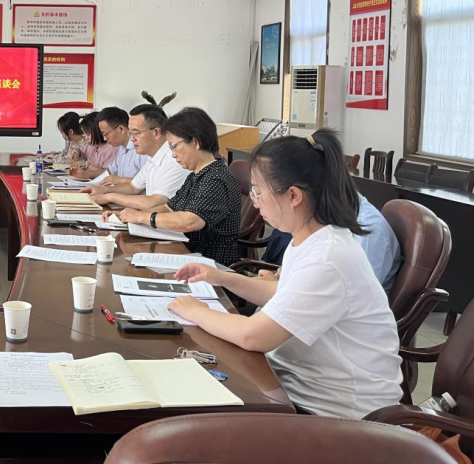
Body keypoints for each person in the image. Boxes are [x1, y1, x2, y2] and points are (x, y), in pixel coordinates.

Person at [169, 129, 403, 418]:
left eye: (258, 191)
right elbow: (282, 292)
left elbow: (254, 336)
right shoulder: (309, 238)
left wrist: (196, 311)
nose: (254, 201)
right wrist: (220, 276)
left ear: (293, 195)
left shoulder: (328, 257)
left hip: (338, 415)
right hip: (293, 387)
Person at [114, 107, 240, 266]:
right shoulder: (196, 175)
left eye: (174, 146)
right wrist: (127, 216)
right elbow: (169, 207)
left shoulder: (216, 178)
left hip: (210, 265)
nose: (173, 154)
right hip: (186, 256)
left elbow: (190, 221)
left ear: (195, 142)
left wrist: (142, 217)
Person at [261, 193, 402, 294]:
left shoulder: (368, 233)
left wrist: (279, 287)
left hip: (330, 321)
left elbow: (341, 298)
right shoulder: (325, 215)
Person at [84, 104, 189, 208]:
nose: (131, 139)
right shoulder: (152, 157)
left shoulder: (174, 159)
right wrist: (103, 190)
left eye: (136, 133)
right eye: (130, 133)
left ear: (156, 132)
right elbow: (133, 187)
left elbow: (155, 202)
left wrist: (109, 197)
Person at [97, 106, 149, 181]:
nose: (105, 138)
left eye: (105, 134)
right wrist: (86, 175)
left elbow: (147, 182)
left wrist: (121, 180)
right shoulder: (121, 148)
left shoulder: (141, 150)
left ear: (121, 129)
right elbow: (110, 171)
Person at [69, 111, 116, 179]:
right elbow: (80, 150)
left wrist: (86, 165)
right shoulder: (91, 146)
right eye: (84, 134)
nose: (85, 138)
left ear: (98, 131)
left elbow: (107, 173)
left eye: (88, 134)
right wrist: (76, 152)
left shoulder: (111, 148)